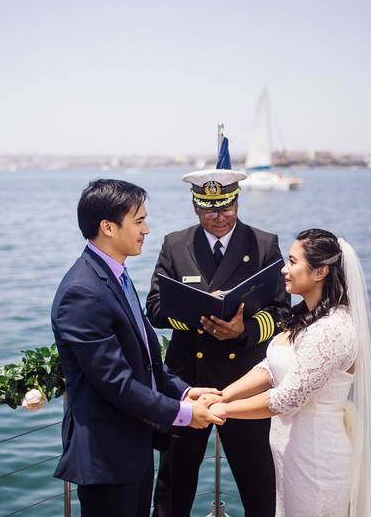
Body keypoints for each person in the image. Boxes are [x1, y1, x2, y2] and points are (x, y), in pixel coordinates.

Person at [51, 179, 224, 517]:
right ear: (108, 227)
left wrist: (185, 391)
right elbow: (116, 382)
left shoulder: (116, 275)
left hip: (134, 446)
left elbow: (147, 360)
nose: (147, 229)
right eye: (139, 221)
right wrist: (185, 415)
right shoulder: (82, 292)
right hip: (106, 456)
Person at [205, 228, 371, 517]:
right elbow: (270, 366)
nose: (284, 269)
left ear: (320, 272)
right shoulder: (305, 317)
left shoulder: (331, 330)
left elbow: (287, 399)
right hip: (289, 455)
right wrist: (221, 393)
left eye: (292, 262)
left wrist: (220, 409)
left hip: (317, 461)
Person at [146, 169, 290, 517]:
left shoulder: (264, 243)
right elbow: (154, 308)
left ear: (237, 201)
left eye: (226, 207)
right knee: (173, 484)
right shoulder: (175, 244)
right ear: (196, 208)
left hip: (245, 382)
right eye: (209, 209)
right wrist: (203, 317)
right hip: (188, 382)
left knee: (258, 482)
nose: (219, 217)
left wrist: (242, 331)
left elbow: (283, 312)